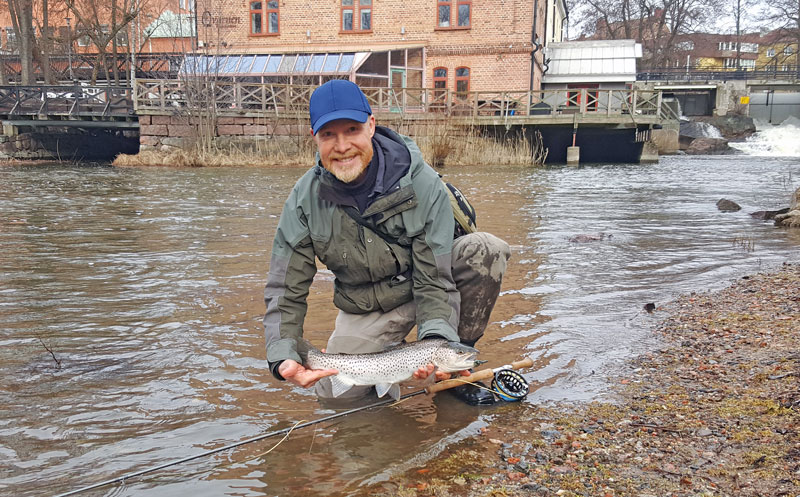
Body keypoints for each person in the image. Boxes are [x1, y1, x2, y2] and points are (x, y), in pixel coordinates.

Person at [263, 79, 510, 405]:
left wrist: (435, 340)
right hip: (366, 307)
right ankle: (385, 422)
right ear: (315, 139)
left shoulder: (422, 183)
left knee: (486, 250)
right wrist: (284, 356)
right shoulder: (304, 199)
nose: (341, 146)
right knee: (335, 398)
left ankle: (453, 373)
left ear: (372, 126)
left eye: (352, 129)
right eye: (329, 135)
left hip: (423, 289)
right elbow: (284, 288)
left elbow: (434, 280)